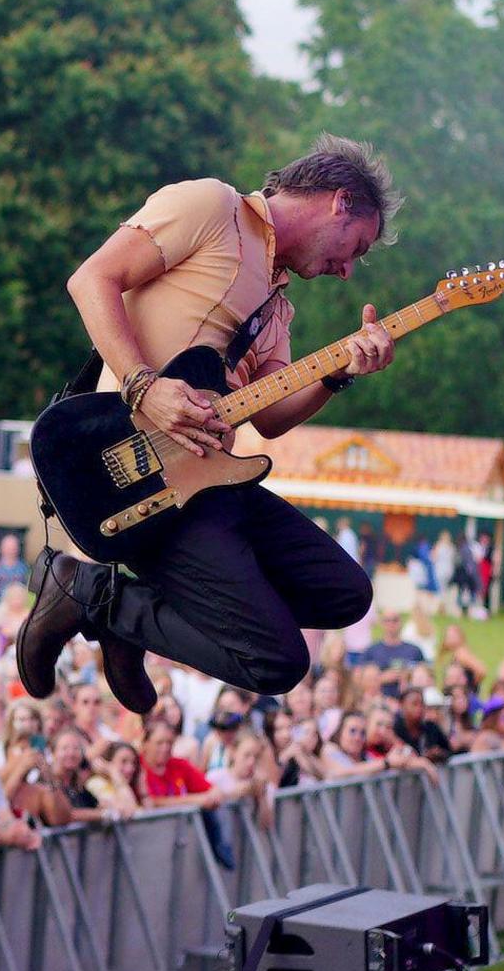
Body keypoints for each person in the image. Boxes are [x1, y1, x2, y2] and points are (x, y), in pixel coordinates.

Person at [20, 137, 399, 707]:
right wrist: (143, 386)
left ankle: (129, 615)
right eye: (357, 247)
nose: (347, 270)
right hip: (132, 470)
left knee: (344, 595)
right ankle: (91, 593)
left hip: (210, 476)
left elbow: (269, 418)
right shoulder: (210, 207)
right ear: (339, 201)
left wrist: (338, 373)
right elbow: (91, 280)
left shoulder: (277, 304)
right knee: (276, 660)